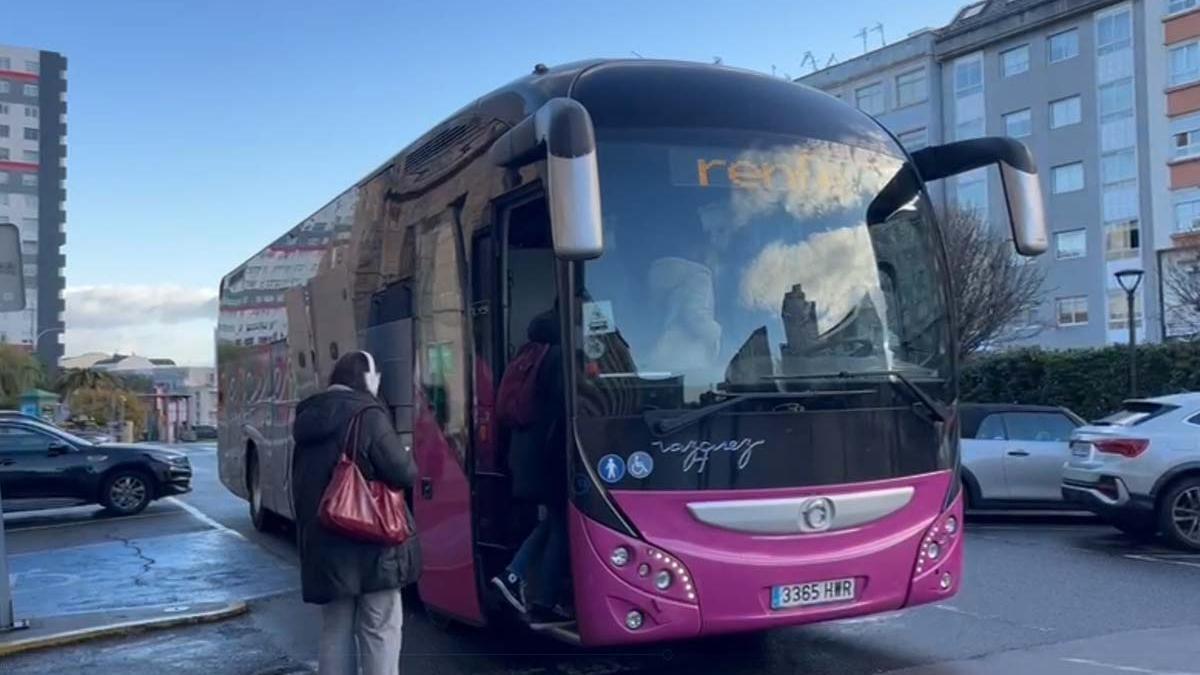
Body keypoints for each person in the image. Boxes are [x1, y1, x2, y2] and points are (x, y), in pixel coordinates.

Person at [292, 351, 420, 675]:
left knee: (335, 629)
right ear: (366, 379)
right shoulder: (368, 414)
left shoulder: (308, 418)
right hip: (372, 544)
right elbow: (403, 472)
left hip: (325, 544)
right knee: (379, 627)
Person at [490, 304, 572, 625]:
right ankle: (543, 596)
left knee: (554, 521)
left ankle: (515, 577)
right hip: (550, 459)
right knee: (563, 525)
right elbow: (568, 405)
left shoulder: (528, 355)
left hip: (525, 458)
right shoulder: (558, 357)